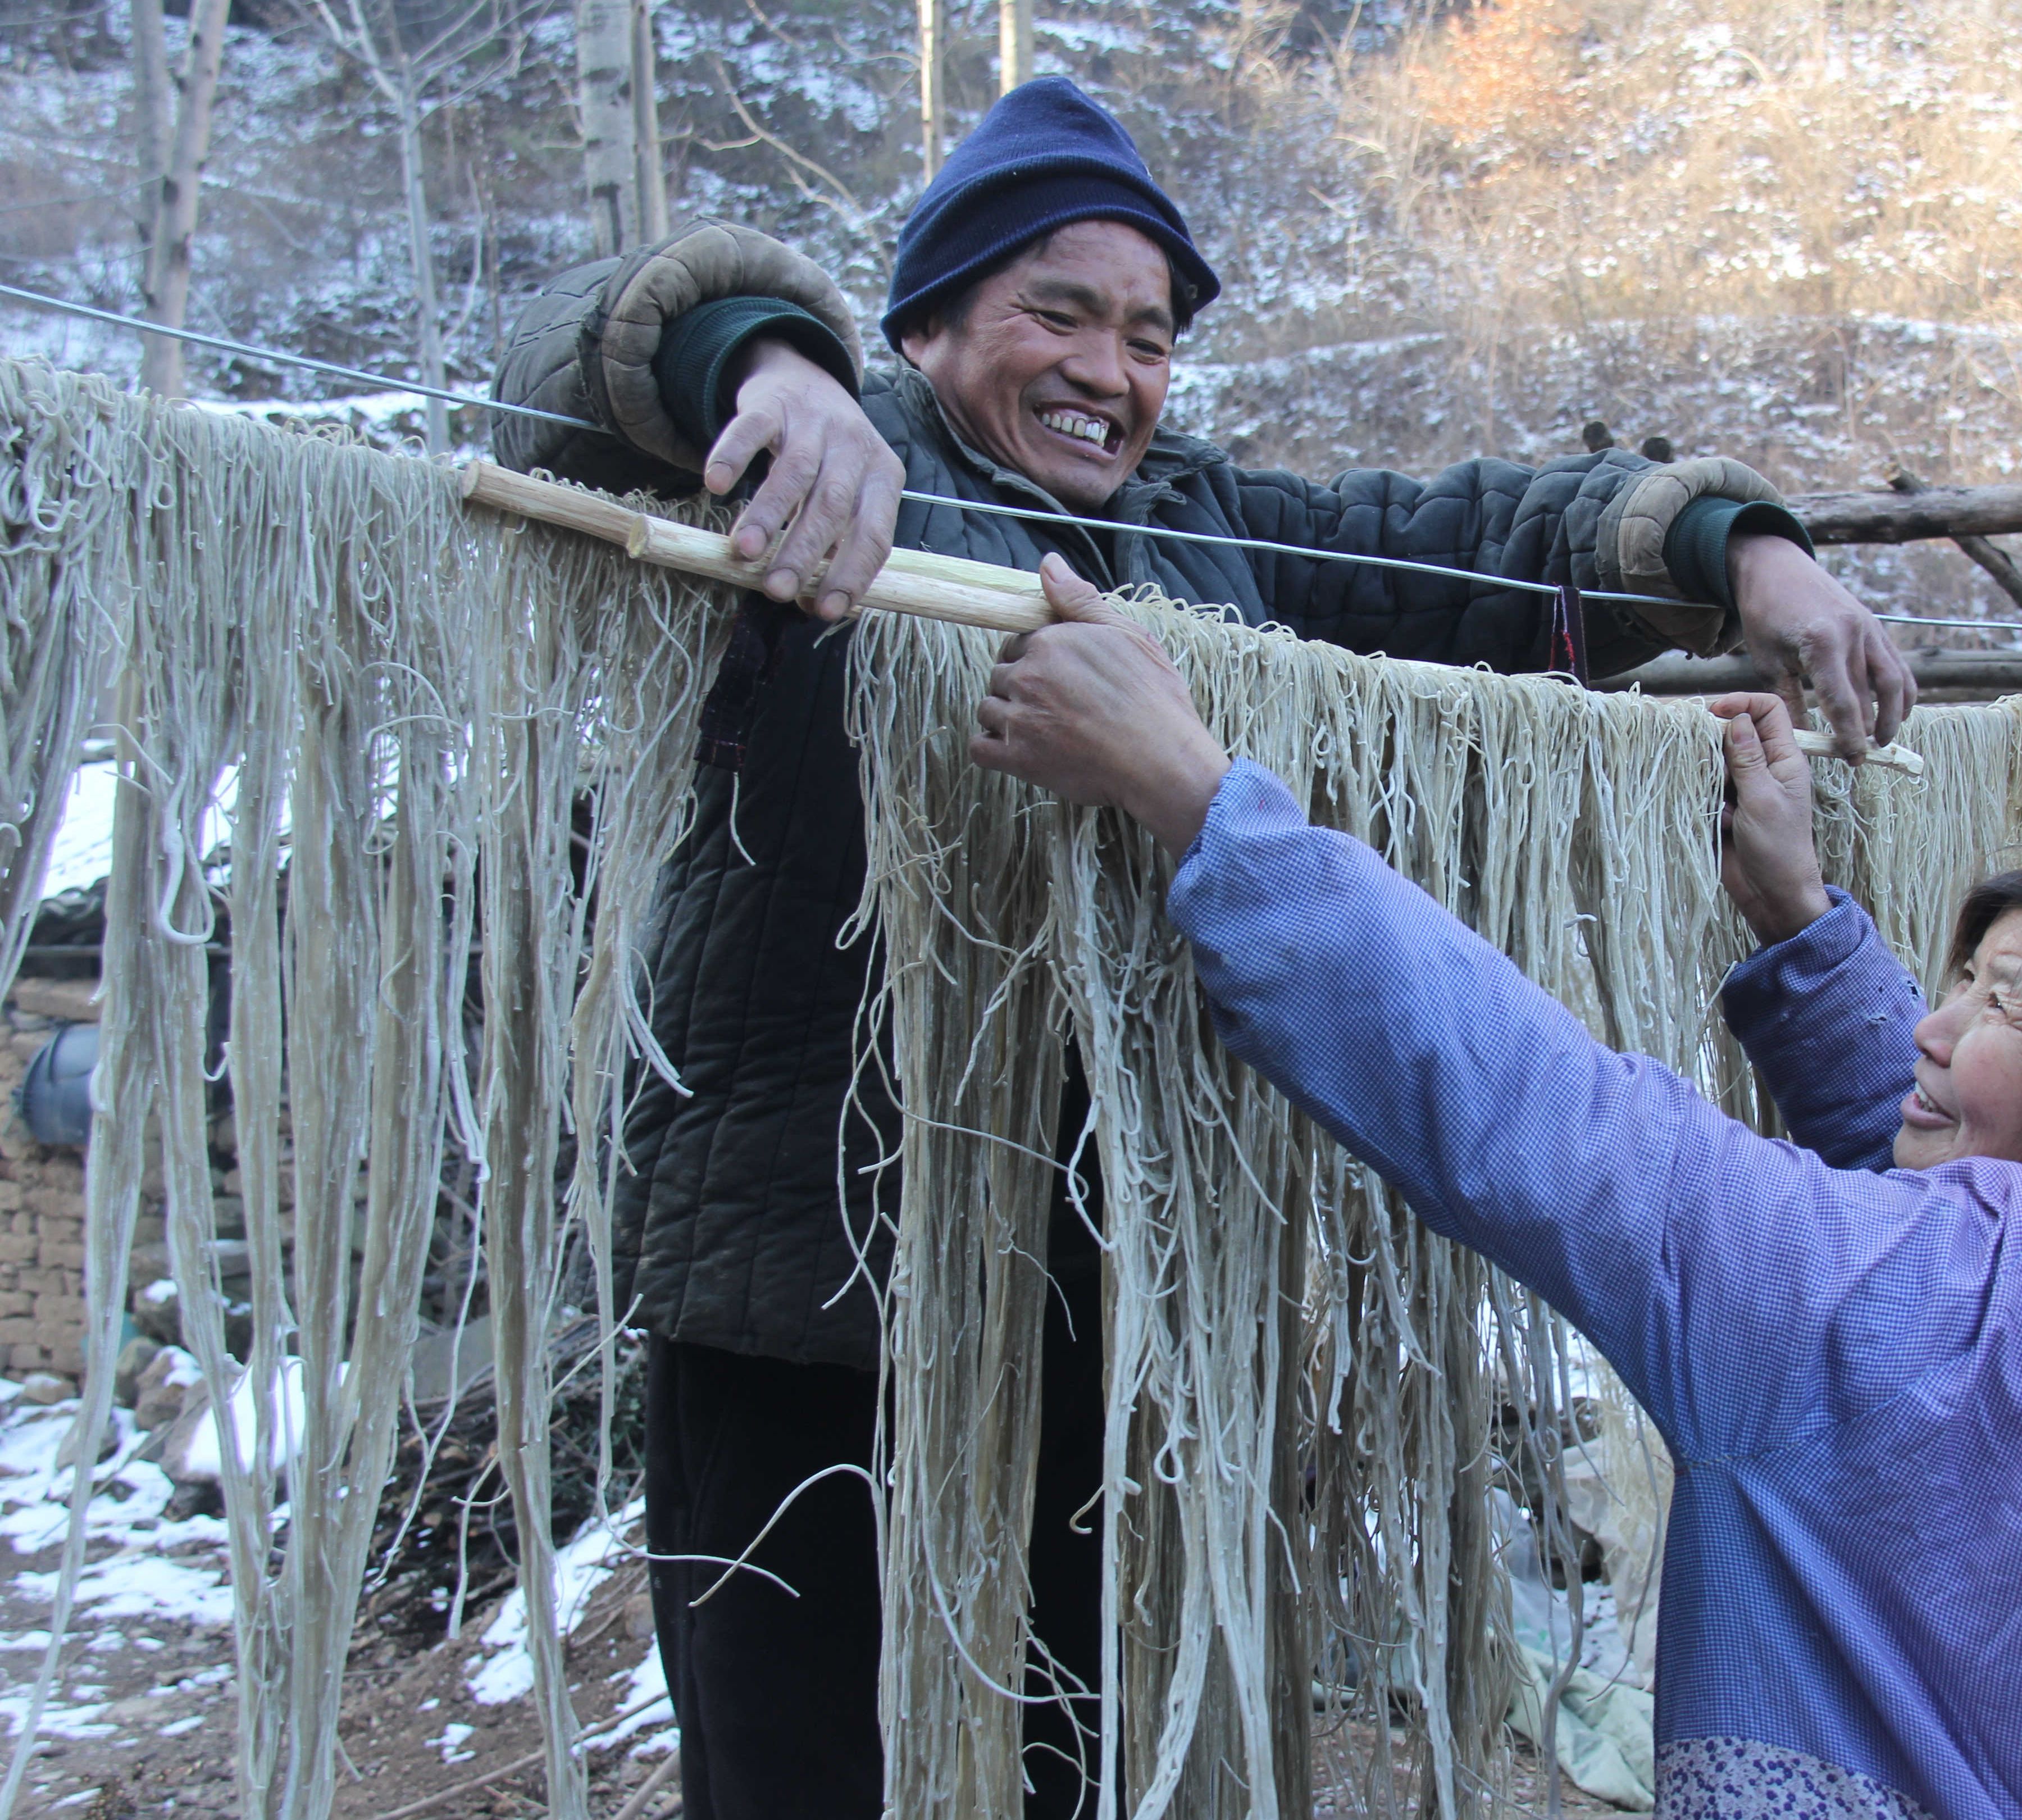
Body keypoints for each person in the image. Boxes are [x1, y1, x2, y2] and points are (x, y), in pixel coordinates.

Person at [490, 75, 1916, 1820]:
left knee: (1086, 1760)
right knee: (809, 1771)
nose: (1110, 367)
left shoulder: (1206, 531)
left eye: (1150, 335)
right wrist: (764, 366)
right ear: (929, 326)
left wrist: (1736, 553)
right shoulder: (813, 469)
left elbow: (1469, 541)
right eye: (1058, 313)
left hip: (1118, 1300)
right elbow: (552, 379)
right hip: (815, 1304)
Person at [955, 568, 2022, 1820]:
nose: (1934, 1031)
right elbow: (1923, 1293)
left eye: (2003, 1002)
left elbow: (1544, 1119)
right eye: (1960, 979)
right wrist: (1803, 922)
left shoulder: (1926, 1310)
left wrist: (1197, 796)